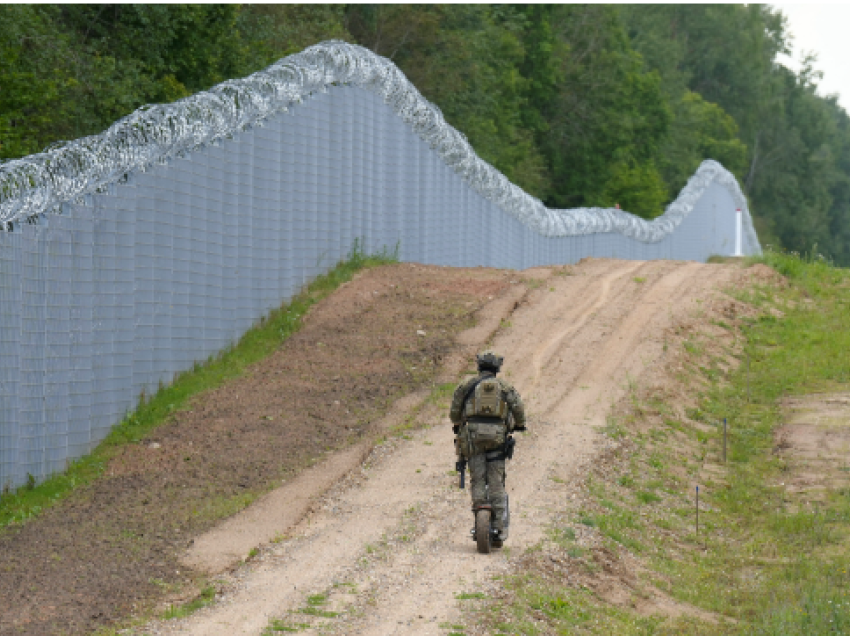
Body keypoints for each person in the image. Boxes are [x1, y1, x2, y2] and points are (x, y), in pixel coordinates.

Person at [449, 350, 526, 547]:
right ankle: (499, 527)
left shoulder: (466, 385)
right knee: (496, 481)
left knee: (477, 477)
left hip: (472, 438)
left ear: (479, 366)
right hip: (498, 438)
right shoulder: (505, 387)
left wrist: (458, 424)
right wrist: (520, 424)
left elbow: (454, 412)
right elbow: (518, 408)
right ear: (497, 368)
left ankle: (479, 516)